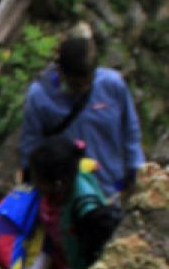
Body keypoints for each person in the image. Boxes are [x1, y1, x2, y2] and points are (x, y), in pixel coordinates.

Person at [2, 134, 121, 269]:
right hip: (54, 259)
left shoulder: (88, 210)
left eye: (38, 180)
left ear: (58, 184)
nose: (33, 184)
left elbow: (97, 251)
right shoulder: (53, 190)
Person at [19, 23, 144, 199]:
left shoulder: (113, 85)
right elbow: (29, 146)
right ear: (61, 72)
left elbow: (130, 131)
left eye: (88, 83)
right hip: (66, 197)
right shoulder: (40, 97)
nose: (82, 89)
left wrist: (134, 170)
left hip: (111, 189)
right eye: (76, 84)